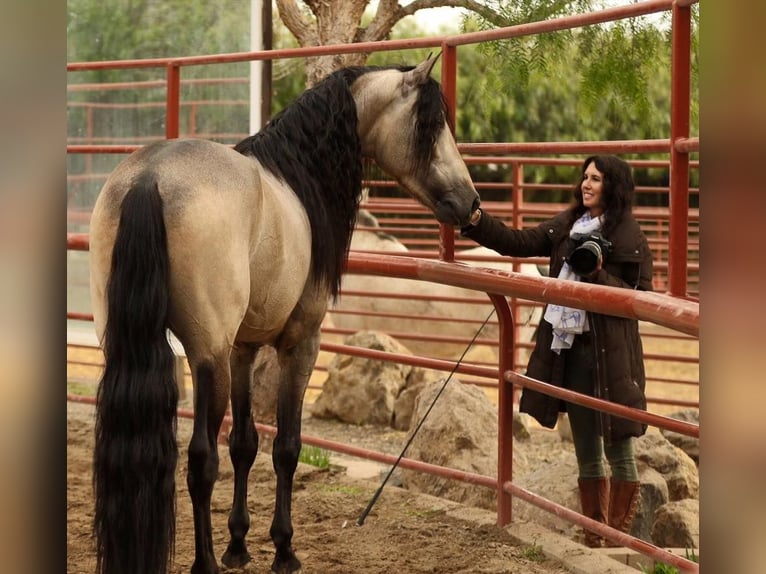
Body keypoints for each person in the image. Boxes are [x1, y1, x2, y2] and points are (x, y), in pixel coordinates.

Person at [461, 155, 653, 547]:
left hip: (611, 357)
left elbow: (640, 296)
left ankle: (616, 542)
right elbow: (519, 241)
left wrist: (597, 275)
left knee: (619, 449)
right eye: (584, 177)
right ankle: (593, 536)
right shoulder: (568, 225)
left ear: (612, 186)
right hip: (572, 352)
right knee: (586, 451)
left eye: (595, 179)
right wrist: (476, 221)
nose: (586, 184)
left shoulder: (630, 233)